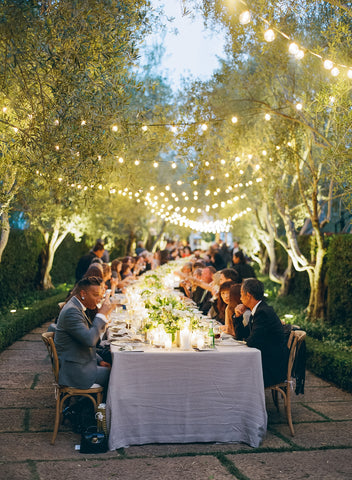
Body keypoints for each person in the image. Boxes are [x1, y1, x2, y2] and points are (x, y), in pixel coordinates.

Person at [54, 276, 115, 390]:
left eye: (100, 295)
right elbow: (89, 340)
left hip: (81, 362)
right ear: (83, 293)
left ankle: (98, 405)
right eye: (96, 295)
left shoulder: (76, 306)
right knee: (117, 375)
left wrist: (100, 360)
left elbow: (82, 342)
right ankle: (85, 407)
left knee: (115, 366)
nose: (99, 299)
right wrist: (101, 315)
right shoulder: (72, 312)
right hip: (75, 371)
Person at [234, 278, 289, 388]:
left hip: (271, 368)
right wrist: (237, 316)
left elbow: (252, 341)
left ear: (248, 295)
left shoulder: (262, 313)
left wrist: (247, 339)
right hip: (266, 361)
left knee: (235, 370)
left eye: (241, 294)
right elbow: (241, 335)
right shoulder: (259, 309)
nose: (240, 298)